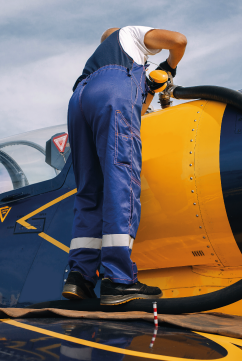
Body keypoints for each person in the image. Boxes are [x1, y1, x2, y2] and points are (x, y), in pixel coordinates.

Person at [62, 26, 187, 305]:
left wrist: (151, 88)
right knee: (122, 180)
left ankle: (79, 277)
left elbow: (138, 110)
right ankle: (119, 280)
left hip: (79, 101)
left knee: (90, 189)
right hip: (112, 92)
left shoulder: (101, 63)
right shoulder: (128, 33)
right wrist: (169, 67)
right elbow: (179, 41)